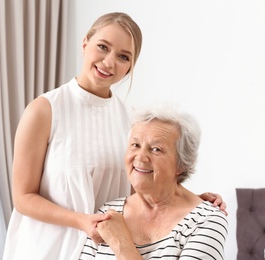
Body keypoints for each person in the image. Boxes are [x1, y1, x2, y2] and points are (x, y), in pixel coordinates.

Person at [3, 12, 226, 260]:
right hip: (46, 248)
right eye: (103, 47)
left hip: (104, 249)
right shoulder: (44, 110)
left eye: (123, 57)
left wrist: (191, 199)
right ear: (85, 43)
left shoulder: (130, 118)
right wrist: (83, 222)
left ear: (130, 66)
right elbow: (23, 198)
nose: (109, 62)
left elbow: (140, 185)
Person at [79, 104, 228, 259]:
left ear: (181, 164)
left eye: (156, 149)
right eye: (135, 145)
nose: (140, 157)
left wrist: (121, 243)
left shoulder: (206, 220)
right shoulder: (108, 214)